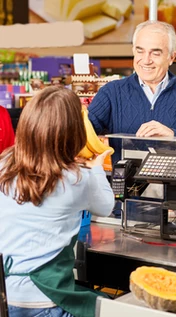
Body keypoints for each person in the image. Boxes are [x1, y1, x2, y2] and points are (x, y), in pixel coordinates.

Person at [0, 86, 114, 317]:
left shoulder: (4, 165)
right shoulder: (76, 179)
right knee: (113, 306)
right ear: (74, 132)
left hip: (5, 298)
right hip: (45, 302)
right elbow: (106, 206)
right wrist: (97, 168)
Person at [88, 20, 176, 163]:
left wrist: (173, 136)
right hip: (127, 185)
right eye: (140, 51)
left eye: (155, 53)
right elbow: (82, 131)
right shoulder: (111, 92)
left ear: (171, 57)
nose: (146, 60)